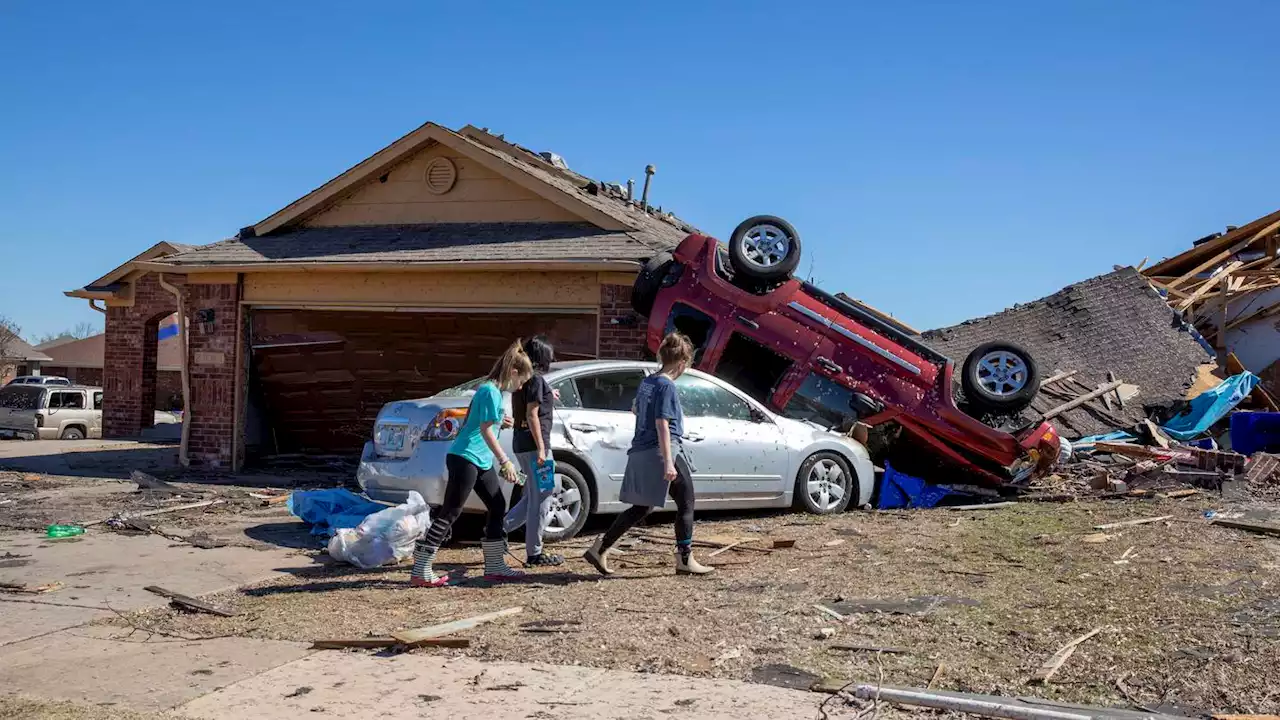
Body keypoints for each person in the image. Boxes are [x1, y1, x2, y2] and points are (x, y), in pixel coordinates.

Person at [584, 333, 714, 577]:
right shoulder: (667, 385)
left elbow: (635, 408)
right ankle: (685, 558)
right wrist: (668, 463)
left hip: (643, 448)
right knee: (686, 501)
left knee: (641, 507)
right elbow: (662, 423)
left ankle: (600, 547)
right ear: (682, 362)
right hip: (662, 450)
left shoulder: (649, 382)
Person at [411, 341, 533, 587]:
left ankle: (495, 565)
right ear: (513, 373)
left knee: (498, 505)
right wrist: (505, 461)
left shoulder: (491, 391)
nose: (520, 387)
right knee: (451, 512)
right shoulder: (490, 391)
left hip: (479, 460)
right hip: (465, 458)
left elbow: (479, 420)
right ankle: (420, 569)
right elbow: (485, 430)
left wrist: (501, 421)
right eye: (521, 381)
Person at [502, 336, 565, 567]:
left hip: (521, 444)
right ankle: (534, 552)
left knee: (532, 495)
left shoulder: (526, 381)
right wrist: (541, 448)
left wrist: (550, 394)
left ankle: (498, 532)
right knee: (545, 494)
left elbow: (532, 404)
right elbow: (532, 415)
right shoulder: (537, 381)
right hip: (536, 446)